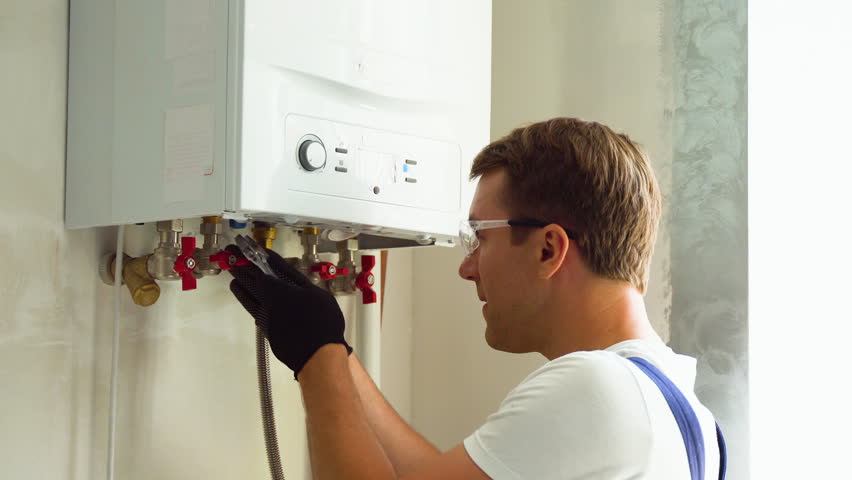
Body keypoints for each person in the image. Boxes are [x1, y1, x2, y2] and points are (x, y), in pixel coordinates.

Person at [228, 117, 725, 479]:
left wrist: (317, 361)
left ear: (549, 248)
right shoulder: (688, 419)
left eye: (479, 239)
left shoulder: (596, 389)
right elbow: (428, 474)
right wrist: (334, 346)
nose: (467, 269)